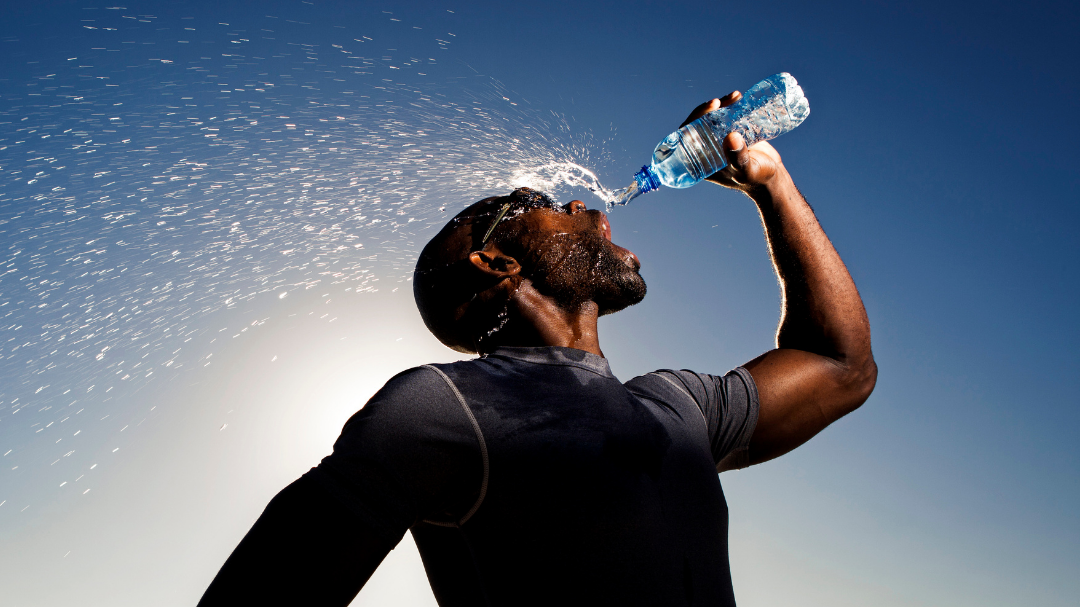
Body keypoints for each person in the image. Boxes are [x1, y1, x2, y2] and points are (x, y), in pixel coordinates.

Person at [198, 91, 877, 606]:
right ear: (496, 263)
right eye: (540, 202)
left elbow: (840, 366)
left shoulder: (680, 403)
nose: (585, 204)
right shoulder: (439, 407)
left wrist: (771, 185)